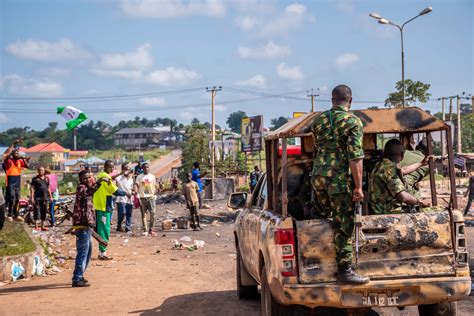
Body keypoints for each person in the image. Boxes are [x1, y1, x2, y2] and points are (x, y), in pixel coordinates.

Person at [310, 85, 368, 284]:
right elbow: (355, 157)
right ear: (350, 101)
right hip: (339, 180)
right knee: (343, 223)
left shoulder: (319, 120)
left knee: (322, 217)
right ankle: (344, 270)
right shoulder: (353, 121)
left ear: (332, 100)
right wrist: (358, 187)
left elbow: (317, 147)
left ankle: (315, 263)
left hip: (318, 177)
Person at [369, 139, 431, 215]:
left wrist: (421, 163)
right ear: (402, 155)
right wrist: (420, 202)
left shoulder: (382, 164)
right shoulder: (389, 169)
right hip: (387, 212)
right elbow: (403, 196)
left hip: (378, 208)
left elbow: (403, 170)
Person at [93, 160, 129, 260]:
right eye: (110, 167)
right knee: (104, 229)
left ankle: (101, 251)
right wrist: (126, 193)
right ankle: (102, 253)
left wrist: (119, 174)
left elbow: (110, 180)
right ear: (105, 167)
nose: (112, 169)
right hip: (104, 205)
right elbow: (114, 190)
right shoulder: (106, 177)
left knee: (101, 228)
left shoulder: (101, 175)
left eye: (113, 167)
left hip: (99, 204)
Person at [72, 170, 100, 287]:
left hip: (86, 225)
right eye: (85, 178)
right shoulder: (82, 188)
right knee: (83, 252)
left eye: (89, 178)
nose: (88, 180)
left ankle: (80, 275)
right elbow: (90, 190)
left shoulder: (87, 188)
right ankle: (77, 278)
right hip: (82, 225)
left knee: (88, 252)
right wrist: (99, 183)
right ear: (81, 180)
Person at [2, 140, 30, 222]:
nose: (17, 154)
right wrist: (13, 144)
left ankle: (16, 215)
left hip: (17, 182)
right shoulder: (8, 161)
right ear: (12, 154)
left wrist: (25, 159)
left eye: (18, 153)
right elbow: (6, 156)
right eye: (16, 153)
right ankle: (10, 215)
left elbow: (27, 166)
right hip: (10, 182)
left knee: (17, 199)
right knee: (11, 199)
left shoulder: (20, 161)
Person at [133, 163, 157, 236]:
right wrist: (136, 192)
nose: (146, 168)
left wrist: (155, 193)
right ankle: (145, 229)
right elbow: (136, 185)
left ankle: (151, 228)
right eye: (144, 167)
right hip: (142, 197)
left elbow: (154, 186)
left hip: (151, 197)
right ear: (142, 169)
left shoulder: (152, 176)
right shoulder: (139, 177)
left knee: (153, 213)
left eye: (147, 167)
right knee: (143, 214)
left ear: (149, 168)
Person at [30, 166, 52, 231]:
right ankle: (36, 226)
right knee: (36, 211)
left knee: (44, 212)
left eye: (42, 170)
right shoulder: (35, 179)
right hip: (37, 198)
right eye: (39, 170)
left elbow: (48, 188)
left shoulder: (46, 178)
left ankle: (42, 226)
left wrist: (51, 197)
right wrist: (32, 197)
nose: (41, 171)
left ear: (44, 171)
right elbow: (32, 188)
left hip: (45, 198)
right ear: (37, 171)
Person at [115, 163, 134, 232]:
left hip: (129, 199)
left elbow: (132, 188)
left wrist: (133, 192)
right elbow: (114, 182)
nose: (127, 170)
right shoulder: (119, 178)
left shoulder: (131, 179)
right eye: (125, 169)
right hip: (121, 198)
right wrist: (120, 173)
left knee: (129, 214)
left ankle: (127, 227)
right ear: (122, 169)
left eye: (128, 169)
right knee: (122, 213)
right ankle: (119, 224)